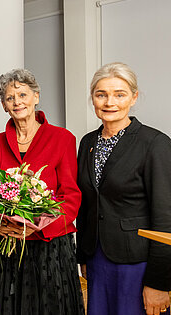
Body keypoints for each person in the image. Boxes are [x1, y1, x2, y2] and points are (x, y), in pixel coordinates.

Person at [0, 69, 84, 315]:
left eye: (23, 95)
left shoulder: (63, 138)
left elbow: (70, 196)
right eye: (9, 98)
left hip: (49, 247)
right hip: (7, 243)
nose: (17, 102)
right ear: (4, 106)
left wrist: (40, 226)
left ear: (36, 97)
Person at [76, 62, 171, 315]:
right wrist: (83, 257)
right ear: (93, 99)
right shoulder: (87, 142)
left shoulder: (155, 143)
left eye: (119, 94)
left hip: (138, 263)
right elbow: (87, 203)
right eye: (101, 94)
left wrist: (159, 282)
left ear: (134, 97)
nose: (110, 102)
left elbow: (166, 218)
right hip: (98, 258)